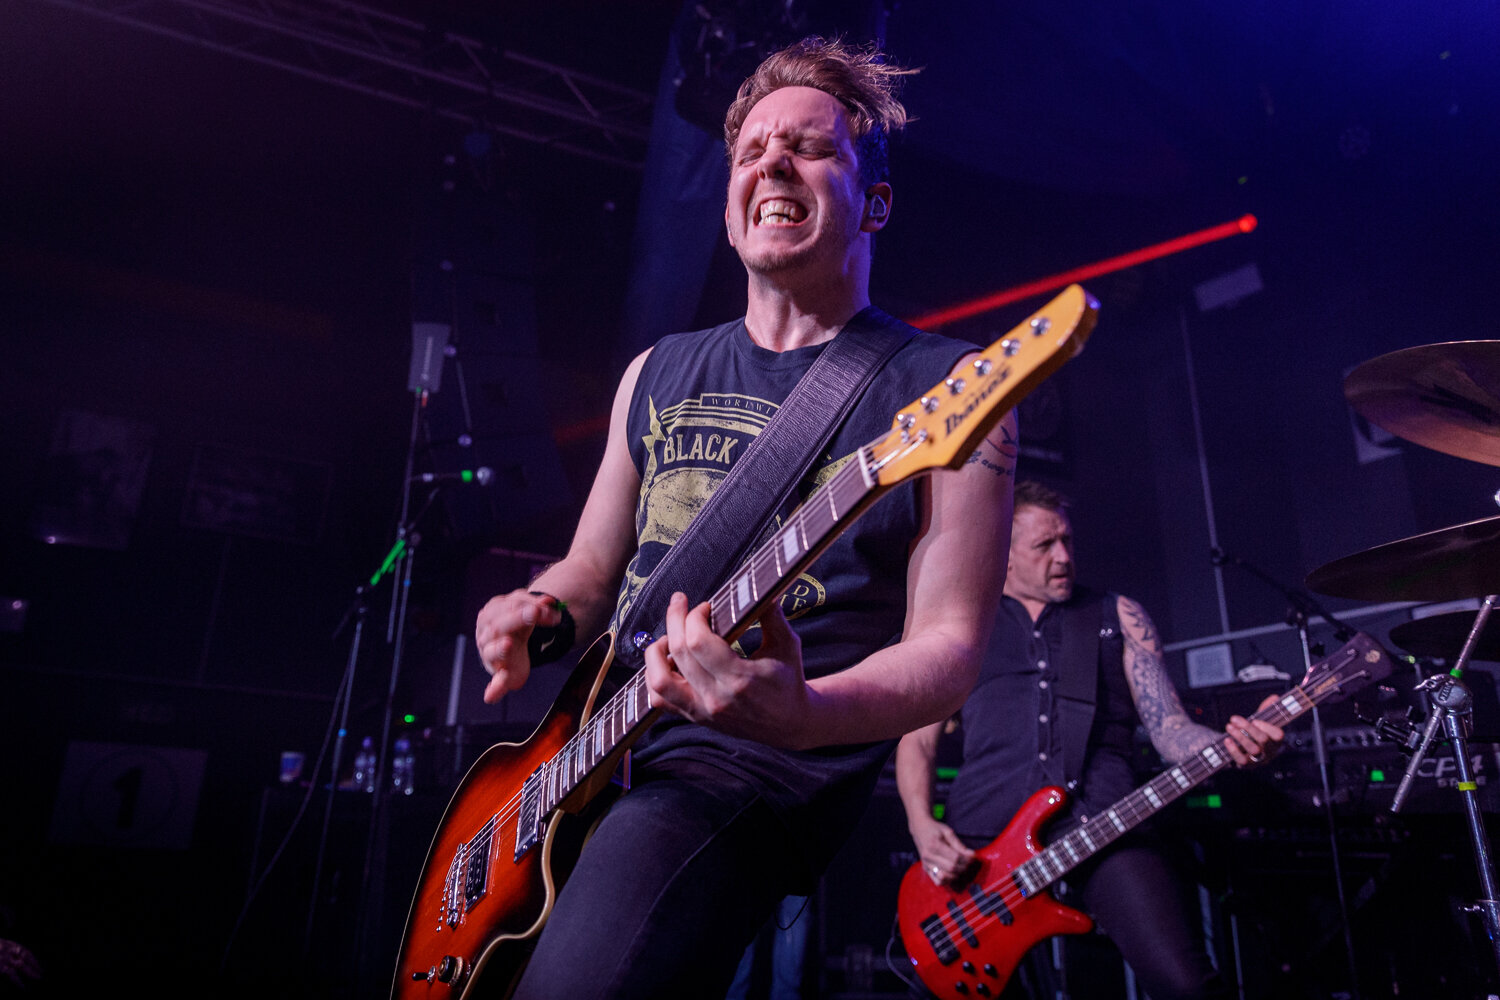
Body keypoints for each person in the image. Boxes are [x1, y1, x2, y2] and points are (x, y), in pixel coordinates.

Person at [473, 36, 1019, 1000]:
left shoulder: (949, 388)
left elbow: (950, 648)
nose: (770, 161)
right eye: (750, 151)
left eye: (810, 147)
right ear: (729, 209)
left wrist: (808, 713)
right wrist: (538, 609)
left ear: (874, 202)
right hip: (597, 750)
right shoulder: (656, 370)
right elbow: (593, 572)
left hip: (755, 766)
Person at [895, 480, 1283, 1000]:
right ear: (1002, 556)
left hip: (1103, 827)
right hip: (981, 847)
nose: (1063, 557)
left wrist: (1232, 745)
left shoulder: (1118, 616)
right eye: (1043, 545)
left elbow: (1170, 729)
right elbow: (916, 741)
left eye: (1067, 542)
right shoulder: (965, 629)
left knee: (1186, 985)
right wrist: (922, 826)